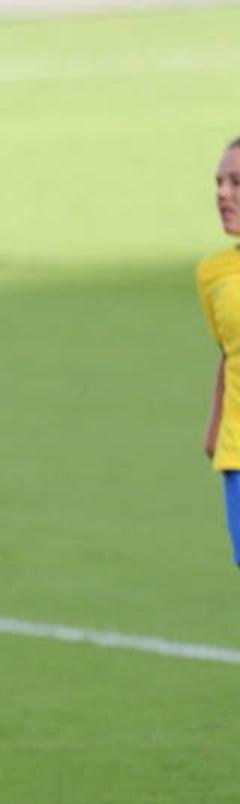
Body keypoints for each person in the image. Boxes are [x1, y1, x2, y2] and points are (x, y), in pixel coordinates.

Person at [199, 136, 240, 558]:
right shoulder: (214, 275)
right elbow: (228, 352)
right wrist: (214, 426)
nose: (223, 194)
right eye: (219, 183)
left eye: (236, 183)